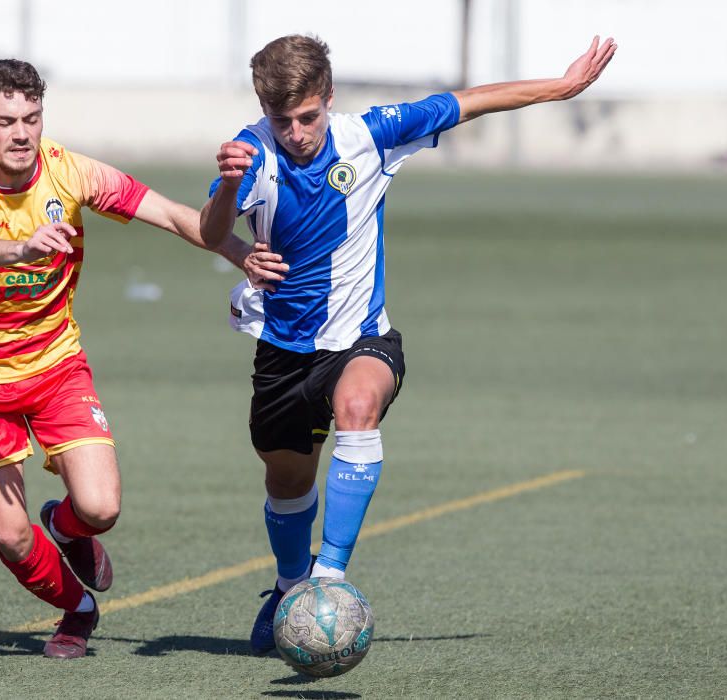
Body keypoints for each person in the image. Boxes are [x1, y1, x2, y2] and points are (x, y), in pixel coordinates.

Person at [200, 33, 616, 654]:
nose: (297, 132)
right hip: (283, 352)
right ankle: (290, 587)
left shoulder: (371, 134)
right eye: (282, 120)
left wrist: (563, 86)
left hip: (365, 338)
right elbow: (211, 232)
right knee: (287, 483)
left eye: (308, 116)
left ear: (329, 98)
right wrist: (229, 188)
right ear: (265, 111)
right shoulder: (251, 154)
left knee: (358, 409)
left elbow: (469, 101)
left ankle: (329, 582)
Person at [0, 59, 222, 659]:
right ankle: (77, 607)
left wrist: (244, 254)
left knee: (100, 507)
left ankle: (66, 527)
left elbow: (168, 213)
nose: (20, 133)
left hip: (56, 367)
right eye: (5, 121)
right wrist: (20, 246)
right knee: (13, 538)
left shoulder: (69, 171)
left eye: (31, 119)